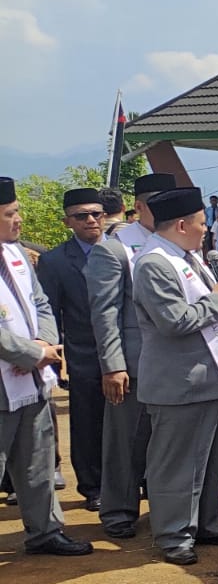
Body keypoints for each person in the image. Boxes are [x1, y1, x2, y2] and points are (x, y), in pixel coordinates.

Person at [132, 187, 218, 565]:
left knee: (210, 463)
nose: (207, 230)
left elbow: (206, 304)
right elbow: (174, 321)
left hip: (211, 378)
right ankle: (173, 535)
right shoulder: (153, 264)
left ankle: (206, 524)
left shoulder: (187, 256)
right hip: (179, 384)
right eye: (202, 224)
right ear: (182, 225)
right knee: (177, 465)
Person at [0, 176, 89, 556]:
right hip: (6, 382)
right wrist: (31, 354)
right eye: (10, 213)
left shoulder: (17, 254)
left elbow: (41, 304)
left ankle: (46, 532)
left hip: (32, 380)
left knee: (37, 460)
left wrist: (44, 344)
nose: (19, 219)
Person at [87, 173, 172, 538]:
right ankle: (119, 511)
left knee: (163, 442)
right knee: (125, 444)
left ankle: (164, 509)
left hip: (172, 363)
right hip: (133, 365)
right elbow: (104, 312)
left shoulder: (174, 243)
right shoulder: (116, 248)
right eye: (158, 205)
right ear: (138, 207)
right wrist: (113, 365)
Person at [37, 187, 108, 511]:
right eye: (82, 216)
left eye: (96, 214)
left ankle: (135, 480)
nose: (91, 220)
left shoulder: (125, 252)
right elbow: (50, 313)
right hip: (83, 355)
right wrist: (55, 362)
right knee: (88, 422)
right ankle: (93, 487)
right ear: (68, 222)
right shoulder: (54, 261)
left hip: (129, 352)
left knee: (131, 422)